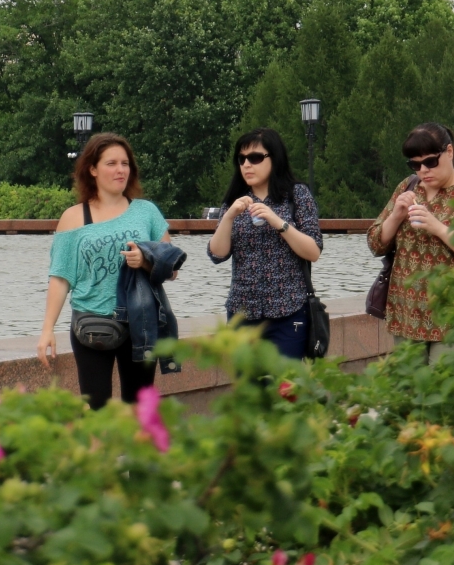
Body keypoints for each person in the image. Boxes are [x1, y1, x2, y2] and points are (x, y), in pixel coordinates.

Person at [37, 133, 175, 409]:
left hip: (140, 322)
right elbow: (61, 278)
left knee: (137, 409)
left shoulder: (146, 212)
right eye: (111, 163)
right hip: (91, 324)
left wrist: (146, 262)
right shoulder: (73, 217)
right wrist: (47, 329)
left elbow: (171, 268)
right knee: (96, 408)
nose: (120, 170)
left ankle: (137, 453)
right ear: (92, 169)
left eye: (125, 163)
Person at [366, 122, 454, 362]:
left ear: (449, 152)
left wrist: (439, 229)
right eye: (415, 164)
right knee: (410, 395)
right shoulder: (408, 186)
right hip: (406, 313)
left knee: (445, 392)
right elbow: (375, 243)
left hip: (452, 315)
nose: (423, 170)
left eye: (430, 162)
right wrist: (396, 216)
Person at [207, 128, 322, 357]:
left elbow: (313, 251)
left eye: (256, 158)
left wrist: (277, 221)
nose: (247, 165)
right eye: (242, 159)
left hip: (288, 312)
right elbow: (217, 255)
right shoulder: (234, 201)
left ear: (274, 158)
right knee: (248, 390)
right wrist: (229, 216)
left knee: (285, 388)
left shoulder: (297, 195)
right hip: (242, 313)